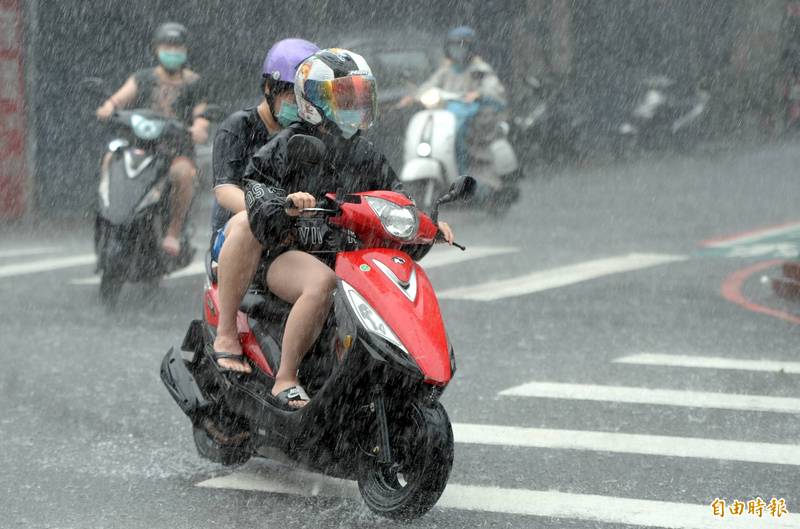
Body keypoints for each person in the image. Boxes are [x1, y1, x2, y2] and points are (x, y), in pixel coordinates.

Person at [213, 48, 455, 410]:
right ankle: (286, 379)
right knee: (320, 284)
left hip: (344, 252)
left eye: (358, 96)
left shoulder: (365, 152)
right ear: (312, 100)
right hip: (287, 252)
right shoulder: (287, 144)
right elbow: (255, 187)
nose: (353, 105)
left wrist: (423, 223)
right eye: (343, 97)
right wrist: (285, 204)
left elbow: (394, 197)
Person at [96, 22, 208, 256]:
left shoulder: (194, 83)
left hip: (176, 151)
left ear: (186, 50)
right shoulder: (142, 78)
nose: (173, 51)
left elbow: (201, 114)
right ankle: (108, 211)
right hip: (139, 145)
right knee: (109, 158)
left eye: (178, 47)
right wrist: (107, 107)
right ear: (156, 48)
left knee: (183, 175)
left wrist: (198, 127)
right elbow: (118, 100)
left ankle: (173, 232)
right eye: (167, 46)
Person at [400, 26, 508, 179]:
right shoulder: (446, 70)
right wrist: (414, 96)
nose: (458, 50)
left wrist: (479, 94)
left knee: (458, 135)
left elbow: (494, 90)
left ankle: (463, 173)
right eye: (454, 46)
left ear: (471, 48)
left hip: (475, 121)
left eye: (462, 46)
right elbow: (430, 85)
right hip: (447, 116)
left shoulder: (479, 69)